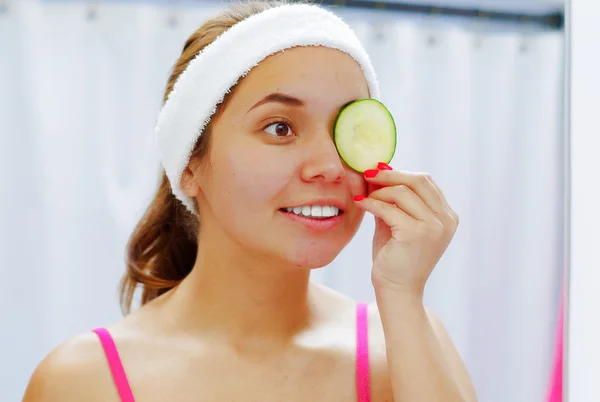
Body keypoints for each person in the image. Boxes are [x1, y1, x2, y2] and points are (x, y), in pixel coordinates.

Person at [23, 1, 477, 401]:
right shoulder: (82, 381)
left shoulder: (404, 345)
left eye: (347, 131)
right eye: (280, 127)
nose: (330, 165)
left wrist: (401, 295)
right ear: (190, 165)